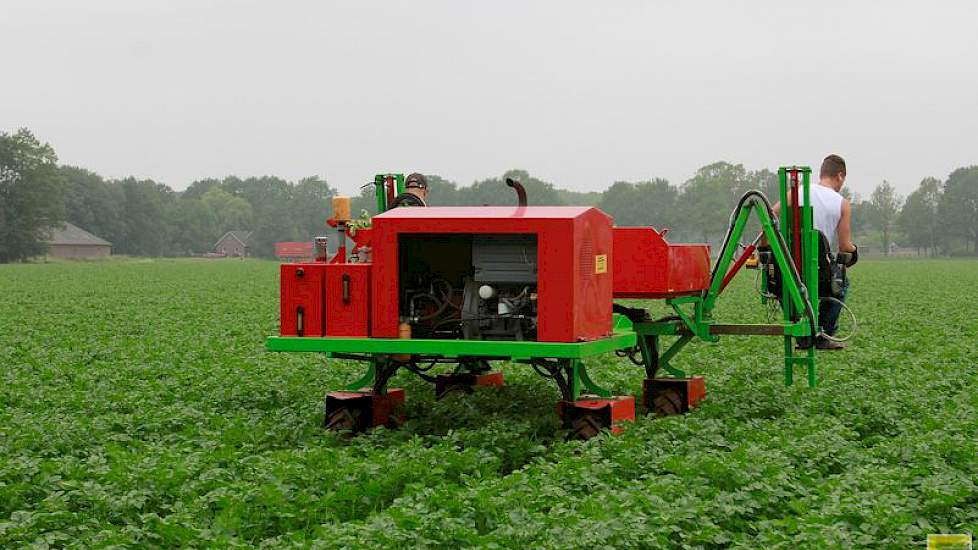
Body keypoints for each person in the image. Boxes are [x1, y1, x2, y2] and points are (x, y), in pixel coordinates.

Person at [775, 154, 858, 349]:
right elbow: (845, 247)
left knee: (781, 285)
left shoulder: (793, 193)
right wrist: (855, 251)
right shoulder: (841, 203)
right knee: (842, 283)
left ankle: (799, 326)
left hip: (788, 271)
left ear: (821, 174)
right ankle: (822, 333)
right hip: (819, 272)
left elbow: (769, 220)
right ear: (840, 176)